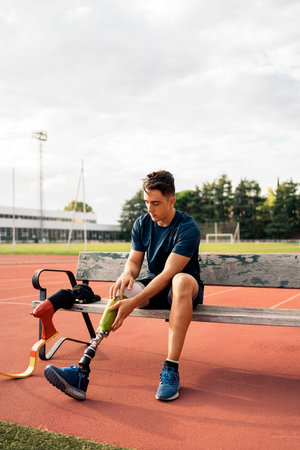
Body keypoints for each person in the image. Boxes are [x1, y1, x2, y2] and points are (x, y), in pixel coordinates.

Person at [43, 170, 203, 401]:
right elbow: (134, 261)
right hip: (153, 284)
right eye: (147, 202)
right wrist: (127, 275)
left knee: (180, 281)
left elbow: (168, 274)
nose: (150, 209)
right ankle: (82, 369)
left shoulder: (187, 228)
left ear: (172, 200)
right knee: (122, 289)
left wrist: (134, 303)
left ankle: (171, 368)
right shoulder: (142, 223)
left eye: (156, 203)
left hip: (184, 289)